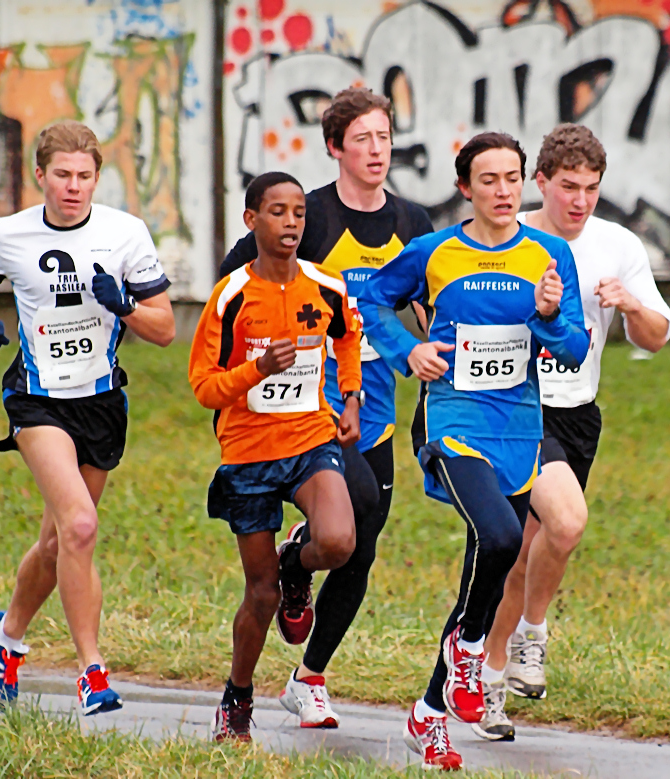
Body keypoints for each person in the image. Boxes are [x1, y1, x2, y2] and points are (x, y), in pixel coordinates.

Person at [359, 132, 590, 770]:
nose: (503, 191)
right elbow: (369, 299)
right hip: (454, 421)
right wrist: (408, 349)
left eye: (512, 178)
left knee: (481, 569)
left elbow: (572, 349)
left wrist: (547, 316)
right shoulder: (432, 252)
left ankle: (428, 715)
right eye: (488, 180)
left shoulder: (549, 254)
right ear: (466, 188)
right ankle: (469, 649)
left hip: (520, 427)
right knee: (502, 539)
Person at [221, 87, 433, 727]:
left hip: (376, 404)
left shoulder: (412, 223)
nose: (377, 150)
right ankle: (297, 556)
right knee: (358, 501)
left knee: (362, 550)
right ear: (336, 147)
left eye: (385, 137)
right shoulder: (304, 215)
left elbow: (427, 301)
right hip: (310, 408)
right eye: (363, 139)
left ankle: (309, 676)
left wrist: (431, 351)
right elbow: (235, 287)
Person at [0, 120, 175, 715]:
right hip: (36, 399)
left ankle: (5, 636)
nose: (74, 187)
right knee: (79, 525)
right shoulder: (10, 233)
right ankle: (93, 672)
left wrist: (123, 305)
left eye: (84, 176)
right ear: (40, 176)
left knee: (57, 542)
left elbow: (165, 329)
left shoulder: (125, 234)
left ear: (98, 178)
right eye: (62, 175)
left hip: (101, 403)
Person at [473, 124, 670, 741]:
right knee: (561, 523)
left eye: (591, 188)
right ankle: (530, 636)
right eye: (568, 187)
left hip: (579, 414)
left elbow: (657, 335)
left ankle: (488, 675)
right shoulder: (513, 237)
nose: (580, 201)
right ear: (541, 183)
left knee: (528, 548)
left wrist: (631, 306)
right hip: (515, 410)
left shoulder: (617, 245)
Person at [189, 171, 364, 743]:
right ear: (252, 221)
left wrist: (352, 399)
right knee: (261, 595)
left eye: (298, 214)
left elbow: (347, 337)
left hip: (311, 440)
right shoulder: (231, 297)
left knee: (338, 542)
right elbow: (205, 389)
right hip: (248, 455)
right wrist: (256, 370)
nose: (291, 223)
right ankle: (237, 698)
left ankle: (299, 563)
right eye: (277, 213)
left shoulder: (325, 286)